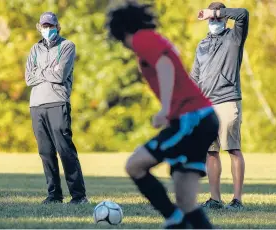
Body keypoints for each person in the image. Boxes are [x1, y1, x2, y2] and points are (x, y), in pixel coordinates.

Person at [106, 2, 219, 229]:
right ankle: (178, 219)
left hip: (192, 118)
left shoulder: (141, 39)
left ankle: (173, 219)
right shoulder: (151, 37)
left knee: (135, 165)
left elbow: (165, 64)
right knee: (186, 202)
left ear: (120, 31)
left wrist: (166, 109)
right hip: (202, 118)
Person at [190, 2, 249, 210]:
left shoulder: (234, 38)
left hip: (227, 100)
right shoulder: (202, 45)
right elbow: (195, 77)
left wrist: (215, 11)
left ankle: (237, 200)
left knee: (232, 149)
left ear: (224, 18)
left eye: (217, 18)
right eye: (211, 19)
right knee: (210, 152)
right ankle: (215, 199)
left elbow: (243, 14)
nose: (214, 21)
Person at [25, 12, 88, 205]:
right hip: (36, 104)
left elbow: (60, 75)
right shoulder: (34, 49)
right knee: (45, 151)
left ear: (57, 26)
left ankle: (78, 196)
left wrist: (41, 71)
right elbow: (29, 77)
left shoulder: (67, 46)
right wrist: (49, 71)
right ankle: (54, 195)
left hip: (57, 102)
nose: (47, 29)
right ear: (39, 27)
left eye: (50, 26)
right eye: (44, 26)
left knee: (65, 149)